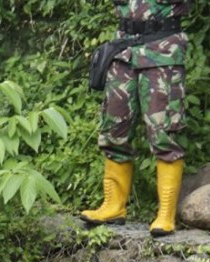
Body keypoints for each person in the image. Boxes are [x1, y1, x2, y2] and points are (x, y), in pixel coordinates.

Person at [78, 0, 190, 236]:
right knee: (114, 128)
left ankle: (166, 214)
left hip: (163, 50)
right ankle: (113, 206)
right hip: (123, 50)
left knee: (163, 132)